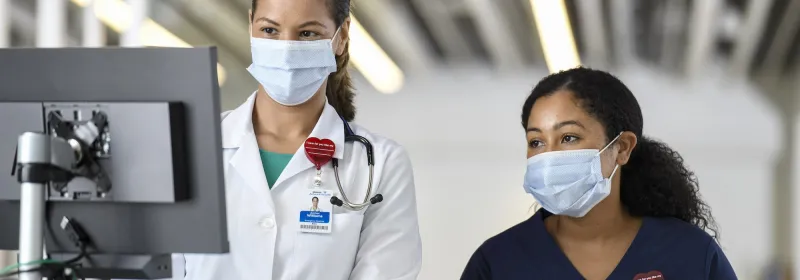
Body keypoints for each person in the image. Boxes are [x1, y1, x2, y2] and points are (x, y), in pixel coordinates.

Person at [177, 0, 422, 279]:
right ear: (251, 27)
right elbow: (157, 267)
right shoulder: (190, 144)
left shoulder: (381, 164)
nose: (286, 49)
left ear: (340, 37)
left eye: (307, 34)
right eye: (270, 30)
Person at [460, 67, 736, 280]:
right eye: (536, 142)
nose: (549, 156)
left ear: (622, 148)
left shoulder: (690, 253)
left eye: (568, 137)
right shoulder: (497, 262)